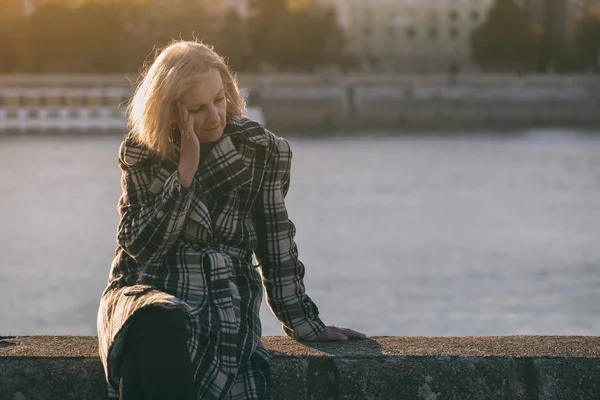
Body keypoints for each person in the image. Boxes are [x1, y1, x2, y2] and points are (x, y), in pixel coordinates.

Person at [96, 40, 366, 400]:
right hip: (148, 290)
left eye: (219, 100)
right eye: (198, 108)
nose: (215, 116)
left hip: (221, 297)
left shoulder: (261, 151)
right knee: (156, 319)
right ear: (171, 111)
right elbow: (140, 248)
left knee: (150, 352)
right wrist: (184, 177)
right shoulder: (141, 153)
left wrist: (306, 324)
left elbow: (276, 246)